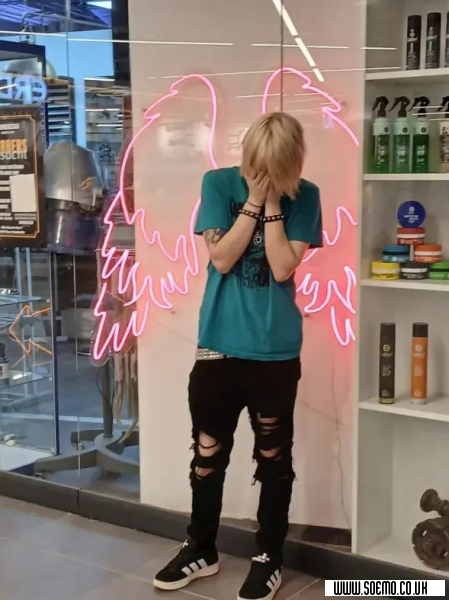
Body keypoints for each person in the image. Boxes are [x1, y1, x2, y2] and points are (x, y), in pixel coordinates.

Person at [153, 112, 323, 600]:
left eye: (273, 169)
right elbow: (222, 258)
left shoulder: (305, 196)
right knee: (207, 453)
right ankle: (200, 546)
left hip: (275, 351)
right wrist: (251, 202)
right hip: (218, 345)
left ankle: (268, 556)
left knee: (274, 457)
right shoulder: (218, 184)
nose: (261, 174)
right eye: (255, 165)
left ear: (291, 165)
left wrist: (272, 204)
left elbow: (283, 267)